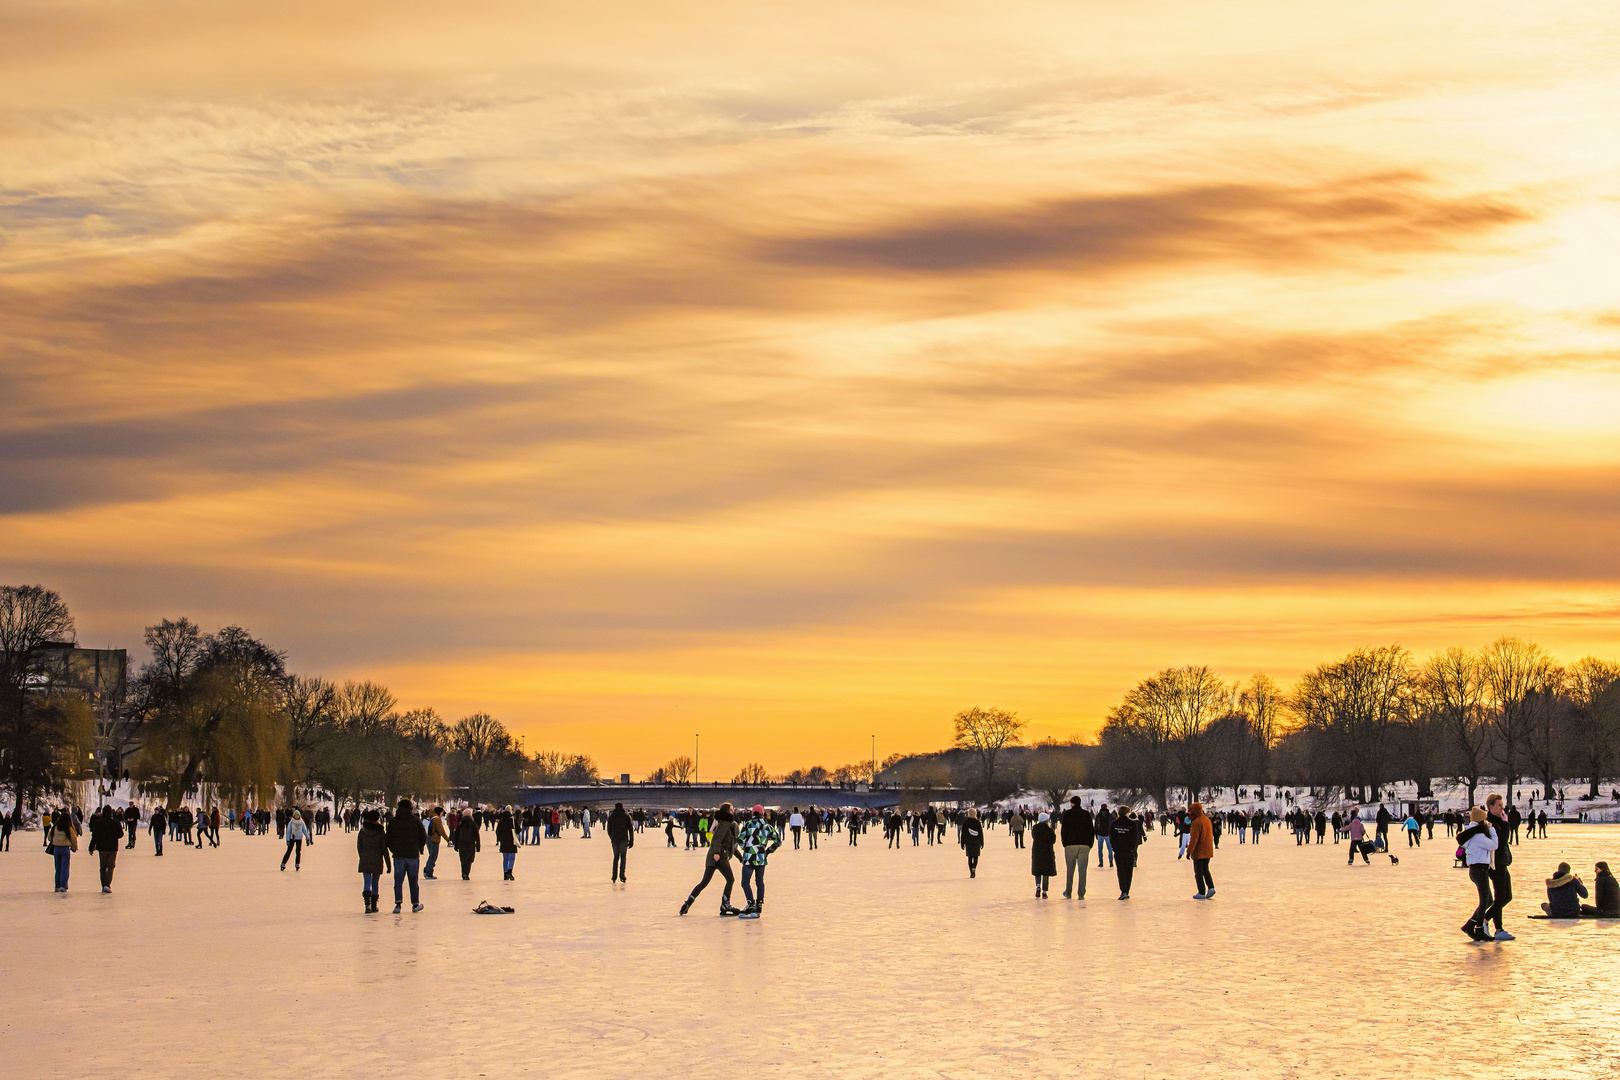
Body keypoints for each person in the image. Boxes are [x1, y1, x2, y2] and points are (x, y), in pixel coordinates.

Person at [679, 802, 740, 916]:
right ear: (726, 812)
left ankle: (688, 903)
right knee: (730, 879)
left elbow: (729, 845)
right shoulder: (725, 824)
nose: (733, 811)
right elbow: (716, 839)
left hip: (714, 857)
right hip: (719, 857)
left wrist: (740, 857)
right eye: (731, 810)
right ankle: (725, 904)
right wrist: (717, 853)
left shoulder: (725, 823)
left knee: (704, 882)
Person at [1458, 807, 1499, 942]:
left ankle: (1470, 925)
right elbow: (1493, 845)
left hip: (1475, 870)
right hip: (1480, 869)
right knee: (1484, 902)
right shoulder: (1478, 836)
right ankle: (1478, 928)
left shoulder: (1470, 833)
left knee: (1488, 900)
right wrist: (1492, 830)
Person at [736, 804, 782, 916]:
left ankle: (751, 903)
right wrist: (768, 851)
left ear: (752, 813)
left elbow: (740, 839)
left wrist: (746, 848)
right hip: (761, 858)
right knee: (759, 881)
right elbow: (778, 841)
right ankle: (759, 904)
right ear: (763, 814)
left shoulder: (747, 825)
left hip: (749, 857)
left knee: (745, 882)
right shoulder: (767, 827)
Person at [386, 797, 428, 912]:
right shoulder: (416, 821)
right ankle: (415, 904)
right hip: (413, 855)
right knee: (413, 881)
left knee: (398, 881)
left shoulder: (393, 821)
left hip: (398, 855)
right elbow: (423, 836)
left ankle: (398, 904)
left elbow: (388, 839)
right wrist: (419, 848)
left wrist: (394, 849)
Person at [1484, 794, 1515, 940]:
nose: (1502, 808)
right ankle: (1497, 928)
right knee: (1500, 896)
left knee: (1507, 896)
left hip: (1502, 862)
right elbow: (1501, 841)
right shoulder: (1491, 822)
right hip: (1495, 864)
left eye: (1502, 805)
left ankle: (1485, 920)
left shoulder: (1497, 821)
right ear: (1491, 807)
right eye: (1499, 805)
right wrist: (1506, 824)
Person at [1059, 796, 1094, 899]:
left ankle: (1068, 891)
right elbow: (1091, 830)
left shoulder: (1067, 814)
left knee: (1070, 870)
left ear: (1072, 803)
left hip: (1070, 845)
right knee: (1082, 870)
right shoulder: (1086, 814)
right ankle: (1081, 893)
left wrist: (1065, 843)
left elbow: (1064, 830)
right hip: (1084, 845)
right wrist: (1089, 844)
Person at [356, 809, 390, 913]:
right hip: (377, 859)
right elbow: (384, 849)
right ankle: (374, 905)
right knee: (375, 882)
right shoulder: (380, 831)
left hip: (365, 858)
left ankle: (367, 904)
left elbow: (359, 847)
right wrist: (389, 864)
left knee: (367, 882)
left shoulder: (363, 831)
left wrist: (362, 856)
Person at [87, 805, 124, 893]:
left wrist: (91, 847)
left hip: (102, 848)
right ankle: (107, 885)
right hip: (112, 848)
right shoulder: (115, 822)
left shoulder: (98, 823)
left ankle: (103, 885)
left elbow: (94, 836)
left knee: (103, 867)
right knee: (110, 866)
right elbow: (120, 834)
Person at [1111, 807, 1143, 899]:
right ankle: (1126, 890)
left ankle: (1123, 890)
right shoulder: (1132, 824)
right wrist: (1132, 849)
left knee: (1120, 871)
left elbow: (1112, 838)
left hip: (1118, 851)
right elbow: (1135, 837)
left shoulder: (1114, 823)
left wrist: (1115, 848)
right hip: (1129, 851)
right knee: (1128, 872)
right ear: (1126, 814)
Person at [47, 805, 78, 892]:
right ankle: (63, 885)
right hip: (65, 849)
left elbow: (49, 837)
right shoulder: (69, 828)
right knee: (65, 867)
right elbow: (73, 838)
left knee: (58, 867)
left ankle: (57, 885)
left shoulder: (55, 827)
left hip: (56, 849)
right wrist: (74, 848)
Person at [1187, 802, 1215, 899]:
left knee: (1198, 872)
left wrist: (1189, 851)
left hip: (1199, 852)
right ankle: (1211, 887)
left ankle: (1201, 892)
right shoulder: (1207, 820)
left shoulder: (1196, 822)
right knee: (1205, 870)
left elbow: (1194, 839)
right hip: (1208, 850)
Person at [1030, 812, 1057, 898]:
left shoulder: (1035, 829)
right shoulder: (1049, 830)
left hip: (1037, 851)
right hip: (1047, 852)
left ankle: (1038, 886)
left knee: (1037, 871)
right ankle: (1044, 891)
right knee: (1046, 872)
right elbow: (1053, 840)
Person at [607, 801, 634, 883]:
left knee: (615, 857)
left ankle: (614, 876)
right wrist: (631, 840)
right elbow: (630, 829)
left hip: (615, 840)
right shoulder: (626, 816)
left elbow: (608, 829)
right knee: (623, 857)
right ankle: (622, 875)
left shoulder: (611, 817)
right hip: (624, 839)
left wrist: (611, 837)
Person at [453, 807, 480, 880]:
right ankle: (466, 873)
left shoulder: (460, 824)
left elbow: (456, 835)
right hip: (470, 844)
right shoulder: (473, 824)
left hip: (462, 844)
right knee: (469, 859)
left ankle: (463, 872)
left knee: (463, 859)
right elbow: (477, 836)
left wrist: (456, 845)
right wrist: (478, 846)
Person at [424, 807, 448, 880]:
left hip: (428, 839)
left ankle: (426, 870)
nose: (442, 814)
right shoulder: (437, 820)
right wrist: (448, 840)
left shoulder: (431, 817)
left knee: (431, 856)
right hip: (434, 839)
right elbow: (441, 830)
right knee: (433, 856)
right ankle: (428, 872)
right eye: (442, 813)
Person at [496, 807, 518, 882]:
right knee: (511, 857)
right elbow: (518, 830)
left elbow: (498, 831)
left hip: (504, 842)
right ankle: (509, 870)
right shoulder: (512, 821)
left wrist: (499, 839)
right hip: (512, 841)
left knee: (505, 858)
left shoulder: (501, 821)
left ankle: (505, 873)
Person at [960, 809, 984, 878]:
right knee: (975, 857)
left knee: (970, 857)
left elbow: (963, 834)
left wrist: (962, 843)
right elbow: (980, 833)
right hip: (976, 842)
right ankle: (974, 868)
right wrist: (982, 842)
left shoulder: (966, 822)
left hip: (968, 842)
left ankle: (971, 871)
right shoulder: (977, 822)